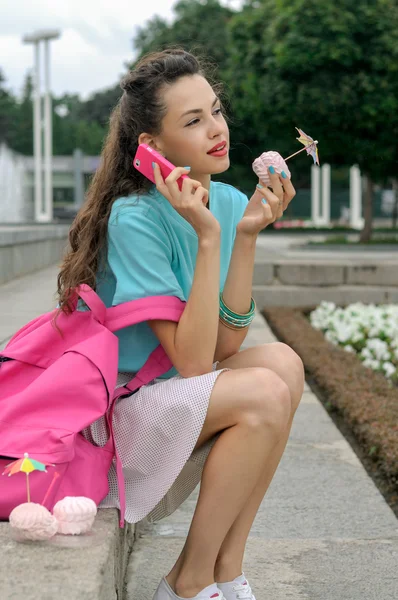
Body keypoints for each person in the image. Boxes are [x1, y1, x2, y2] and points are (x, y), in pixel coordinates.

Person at [56, 48, 305, 600]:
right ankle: (187, 582)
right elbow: (194, 364)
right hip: (126, 413)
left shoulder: (231, 200)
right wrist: (210, 236)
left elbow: (224, 343)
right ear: (152, 147)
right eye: (192, 121)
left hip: (180, 397)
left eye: (215, 111)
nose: (216, 130)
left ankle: (227, 571)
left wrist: (242, 236)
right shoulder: (135, 217)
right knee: (264, 391)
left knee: (284, 362)